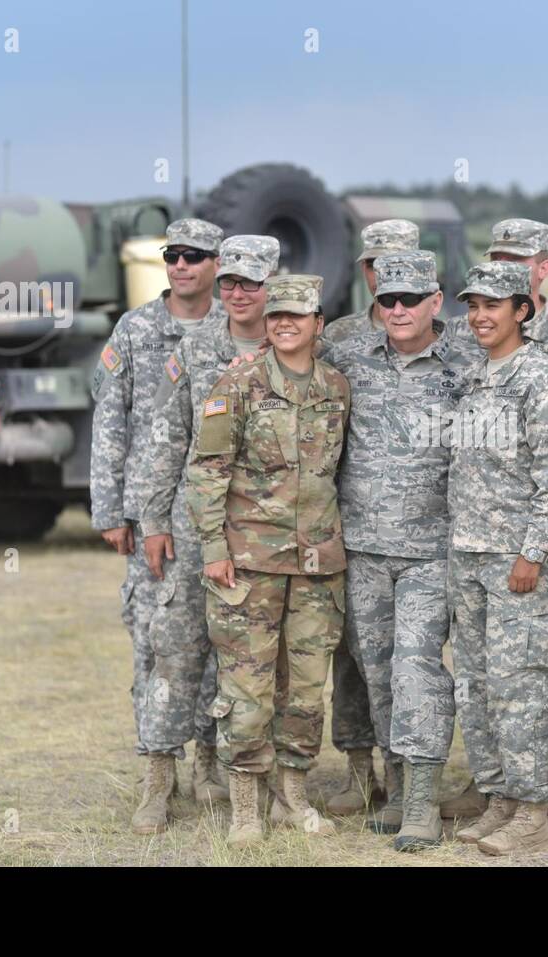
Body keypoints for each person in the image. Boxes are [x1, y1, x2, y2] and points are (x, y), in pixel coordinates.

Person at [437, 219, 548, 825]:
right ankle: (499, 797)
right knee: (477, 684)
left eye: (493, 306)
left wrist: (532, 552)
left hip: (520, 561)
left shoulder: (543, 381)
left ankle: (534, 811)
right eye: (473, 306)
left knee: (522, 686)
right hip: (471, 554)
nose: (480, 317)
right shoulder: (476, 378)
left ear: (521, 310)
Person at [185, 274, 351, 847]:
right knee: (247, 691)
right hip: (249, 563)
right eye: (276, 315)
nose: (284, 324)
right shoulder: (238, 384)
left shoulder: (336, 387)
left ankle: (292, 797)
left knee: (305, 689)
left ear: (317, 324)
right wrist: (213, 548)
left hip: (317, 565)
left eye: (296, 316)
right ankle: (245, 808)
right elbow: (207, 471)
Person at [320, 250, 474, 850]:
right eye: (388, 299)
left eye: (412, 299)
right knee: (378, 672)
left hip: (433, 550)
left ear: (437, 301)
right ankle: (397, 783)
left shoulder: (468, 361)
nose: (400, 309)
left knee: (416, 667)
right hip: (363, 547)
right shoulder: (349, 357)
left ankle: (424, 802)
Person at [89, 217, 225, 834]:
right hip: (151, 518)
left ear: (217, 264)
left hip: (217, 519)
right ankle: (157, 776)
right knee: (154, 647)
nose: (181, 266)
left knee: (220, 648)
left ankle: (211, 766)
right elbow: (110, 421)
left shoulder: (232, 331)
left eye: (195, 256)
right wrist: (111, 511)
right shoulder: (136, 329)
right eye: (173, 255)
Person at [138, 235, 281, 811]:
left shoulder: (294, 345)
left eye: (251, 283)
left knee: (247, 658)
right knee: (176, 648)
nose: (238, 294)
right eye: (230, 283)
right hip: (196, 523)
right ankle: (158, 776)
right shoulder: (196, 348)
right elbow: (165, 437)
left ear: (272, 283)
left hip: (265, 528)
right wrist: (153, 519)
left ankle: (218, 766)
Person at [319, 219, 419, 811]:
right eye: (382, 265)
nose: (393, 278)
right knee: (354, 658)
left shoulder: (451, 342)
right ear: (366, 271)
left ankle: (410, 776)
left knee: (410, 663)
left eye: (405, 264)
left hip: (422, 536)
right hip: (351, 526)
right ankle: (360, 771)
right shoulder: (339, 339)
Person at [322, 219, 420, 347]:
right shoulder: (337, 334)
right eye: (372, 265)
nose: (381, 275)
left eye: (392, 264)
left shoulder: (436, 336)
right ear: (363, 268)